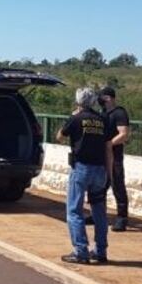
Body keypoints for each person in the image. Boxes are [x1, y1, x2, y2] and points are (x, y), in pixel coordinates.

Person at [56, 87, 114, 264]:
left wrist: (72, 117)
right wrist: (109, 173)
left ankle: (81, 251)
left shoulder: (76, 118)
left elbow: (59, 137)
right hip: (100, 170)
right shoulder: (102, 120)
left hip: (81, 168)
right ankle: (101, 251)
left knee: (74, 210)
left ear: (78, 102)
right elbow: (108, 148)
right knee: (99, 212)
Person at [98, 86, 131, 231]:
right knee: (99, 185)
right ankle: (98, 214)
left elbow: (123, 133)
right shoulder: (103, 113)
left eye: (102, 96)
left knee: (117, 184)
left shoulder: (119, 113)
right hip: (101, 154)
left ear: (109, 98)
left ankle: (122, 218)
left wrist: (109, 144)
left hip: (114, 154)